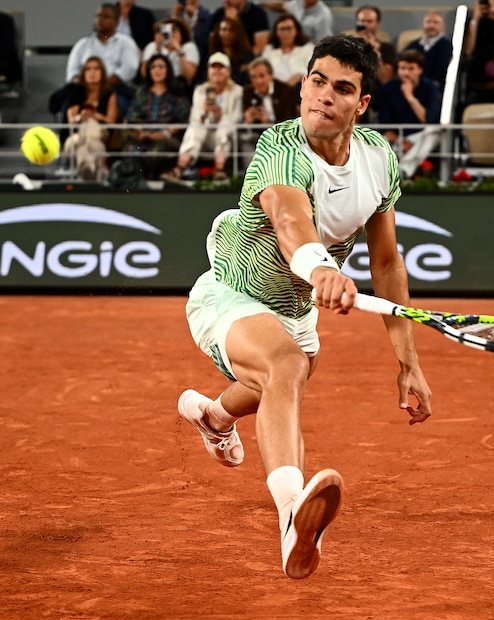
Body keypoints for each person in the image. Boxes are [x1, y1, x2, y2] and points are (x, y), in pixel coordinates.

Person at [177, 34, 432, 580]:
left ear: (360, 105)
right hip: (230, 292)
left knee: (277, 379)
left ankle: (214, 416)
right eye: (317, 81)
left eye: (342, 89)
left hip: (295, 312)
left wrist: (408, 360)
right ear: (303, 84)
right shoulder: (280, 147)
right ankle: (292, 515)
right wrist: (319, 269)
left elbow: (387, 264)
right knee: (285, 366)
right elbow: (291, 219)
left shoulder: (379, 159)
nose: (324, 96)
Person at [163, 51, 242, 181]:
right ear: (208, 71)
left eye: (221, 67)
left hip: (227, 139)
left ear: (228, 71)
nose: (217, 71)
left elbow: (237, 119)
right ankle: (179, 168)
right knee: (195, 127)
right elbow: (194, 119)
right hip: (203, 138)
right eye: (213, 67)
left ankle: (220, 168)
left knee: (225, 126)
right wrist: (204, 113)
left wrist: (220, 115)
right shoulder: (200, 91)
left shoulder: (237, 91)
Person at [375, 49, 441, 179]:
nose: (405, 73)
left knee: (435, 133)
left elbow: (429, 120)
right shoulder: (388, 89)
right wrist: (401, 141)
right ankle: (396, 173)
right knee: (379, 140)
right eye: (402, 68)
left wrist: (410, 96)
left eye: (411, 69)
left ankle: (403, 171)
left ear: (420, 70)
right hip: (395, 139)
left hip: (419, 138)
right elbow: (383, 125)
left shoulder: (430, 88)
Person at [64, 3, 141, 114]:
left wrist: (101, 86)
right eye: (97, 16)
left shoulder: (126, 43)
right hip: (84, 91)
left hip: (116, 90)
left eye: (105, 17)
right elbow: (73, 72)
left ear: (116, 21)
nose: (99, 20)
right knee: (67, 102)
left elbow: (129, 69)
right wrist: (88, 87)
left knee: (120, 104)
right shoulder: (83, 44)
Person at [123, 53, 190, 179]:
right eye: (153, 67)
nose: (157, 70)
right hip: (142, 137)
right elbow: (132, 115)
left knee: (155, 153)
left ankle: (156, 179)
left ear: (168, 70)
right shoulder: (141, 92)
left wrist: (162, 134)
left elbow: (183, 120)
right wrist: (142, 132)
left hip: (167, 139)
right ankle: (136, 182)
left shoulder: (176, 93)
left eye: (161, 67)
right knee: (132, 149)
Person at [63, 56, 119, 181]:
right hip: (80, 134)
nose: (92, 73)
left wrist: (95, 115)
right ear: (83, 73)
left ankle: (85, 171)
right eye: (88, 69)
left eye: (96, 69)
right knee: (88, 132)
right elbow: (71, 121)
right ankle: (92, 171)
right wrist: (80, 117)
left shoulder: (109, 93)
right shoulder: (77, 92)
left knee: (91, 125)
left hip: (101, 134)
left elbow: (111, 120)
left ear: (102, 72)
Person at [239, 56, 298, 164]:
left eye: (262, 76)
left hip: (280, 137)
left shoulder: (285, 91)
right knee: (245, 141)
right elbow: (244, 128)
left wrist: (268, 123)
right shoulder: (248, 92)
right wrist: (247, 121)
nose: (258, 81)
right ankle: (253, 177)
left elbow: (291, 124)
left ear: (271, 75)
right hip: (256, 136)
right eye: (253, 77)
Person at [141, 18, 200, 91]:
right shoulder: (152, 46)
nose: (171, 33)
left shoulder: (188, 47)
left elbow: (189, 76)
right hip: (155, 85)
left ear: (182, 33)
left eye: (175, 29)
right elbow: (144, 74)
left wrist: (179, 51)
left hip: (179, 85)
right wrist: (157, 49)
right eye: (167, 30)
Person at [261, 13, 313, 88]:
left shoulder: (307, 48)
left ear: (296, 30)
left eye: (289, 29)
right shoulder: (269, 49)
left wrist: (299, 75)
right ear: (276, 32)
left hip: (299, 86)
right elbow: (263, 69)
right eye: (282, 29)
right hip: (273, 87)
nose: (285, 33)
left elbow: (313, 70)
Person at [402, 11, 452, 89]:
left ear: (443, 26)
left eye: (436, 23)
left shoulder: (446, 45)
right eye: (428, 22)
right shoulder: (414, 44)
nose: (431, 25)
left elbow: (440, 70)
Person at [349, 5, 396, 86]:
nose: (365, 25)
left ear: (377, 23)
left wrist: (375, 51)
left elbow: (386, 80)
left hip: (376, 94)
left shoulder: (386, 48)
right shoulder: (346, 46)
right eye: (362, 21)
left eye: (369, 21)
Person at [208, 15, 254, 87]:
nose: (227, 34)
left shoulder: (247, 55)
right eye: (224, 30)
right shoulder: (210, 53)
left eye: (231, 30)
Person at [261, 0, 334, 44]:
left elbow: (322, 43)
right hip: (286, 46)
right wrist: (261, 4)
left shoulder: (324, 15)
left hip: (307, 51)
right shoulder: (297, 3)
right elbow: (284, 6)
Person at [172, 0, 212, 66]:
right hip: (181, 57)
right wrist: (175, 17)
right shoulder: (177, 16)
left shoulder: (208, 17)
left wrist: (193, 15)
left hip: (203, 59)